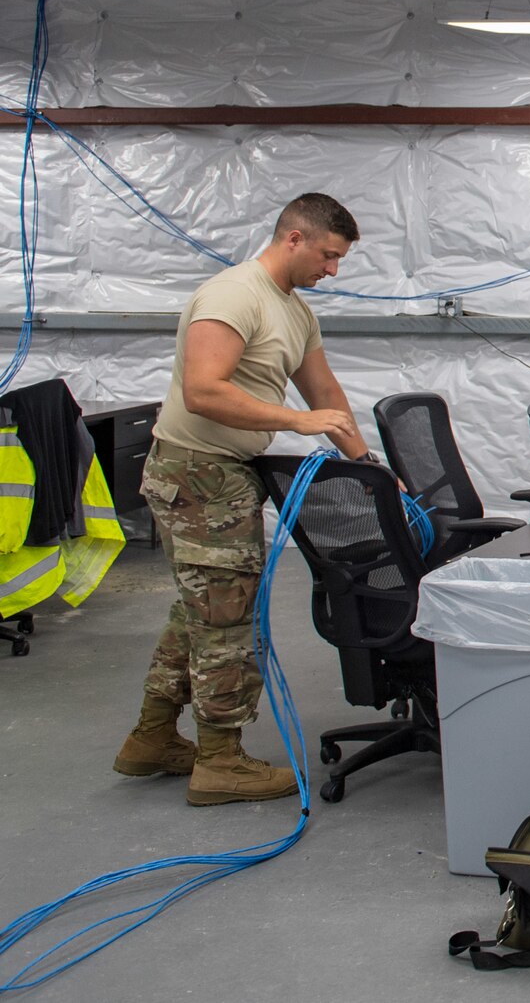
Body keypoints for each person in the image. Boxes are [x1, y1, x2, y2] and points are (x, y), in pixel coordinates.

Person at [115, 194, 375, 805]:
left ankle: (151, 737)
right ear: (293, 238)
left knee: (201, 609)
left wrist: (367, 467)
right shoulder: (234, 296)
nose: (332, 270)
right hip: (198, 475)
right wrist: (295, 422)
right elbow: (204, 390)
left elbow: (323, 390)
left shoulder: (295, 311)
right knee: (227, 620)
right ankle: (220, 761)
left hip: (227, 474)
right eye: (328, 256)